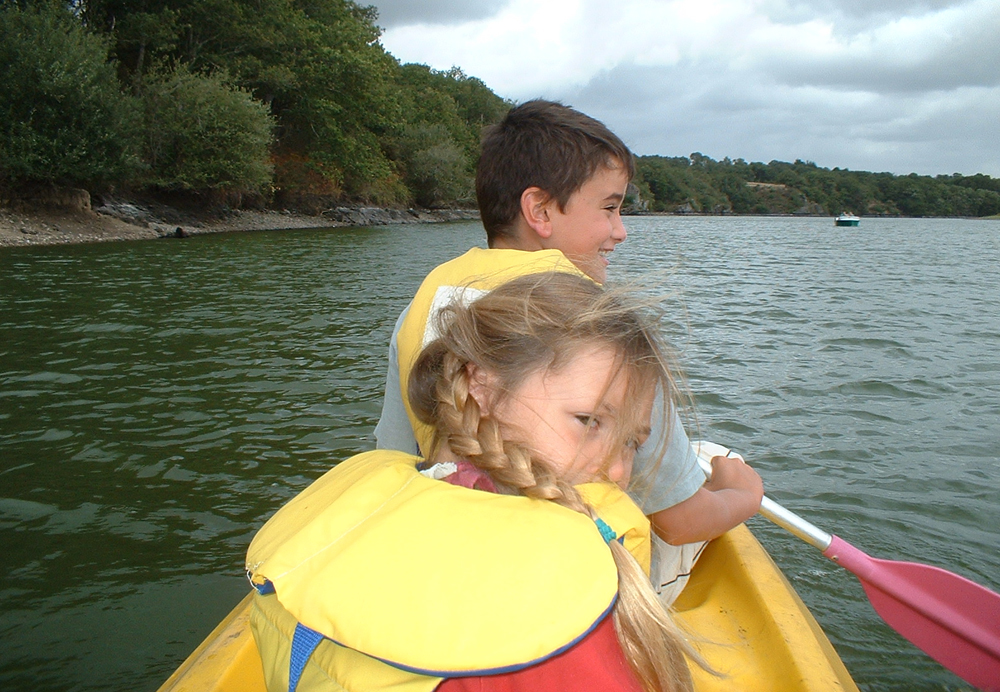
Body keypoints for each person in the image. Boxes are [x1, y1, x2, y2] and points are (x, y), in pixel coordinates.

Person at [373, 99, 763, 600]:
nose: (620, 231)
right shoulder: (600, 329)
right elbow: (680, 523)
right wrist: (742, 494)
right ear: (539, 210)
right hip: (568, 583)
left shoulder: (425, 303)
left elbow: (395, 457)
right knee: (718, 461)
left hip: (450, 567)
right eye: (609, 207)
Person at [246, 273, 711, 692]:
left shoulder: (360, 516)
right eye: (588, 420)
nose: (615, 471)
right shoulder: (559, 602)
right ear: (481, 387)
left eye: (632, 442)